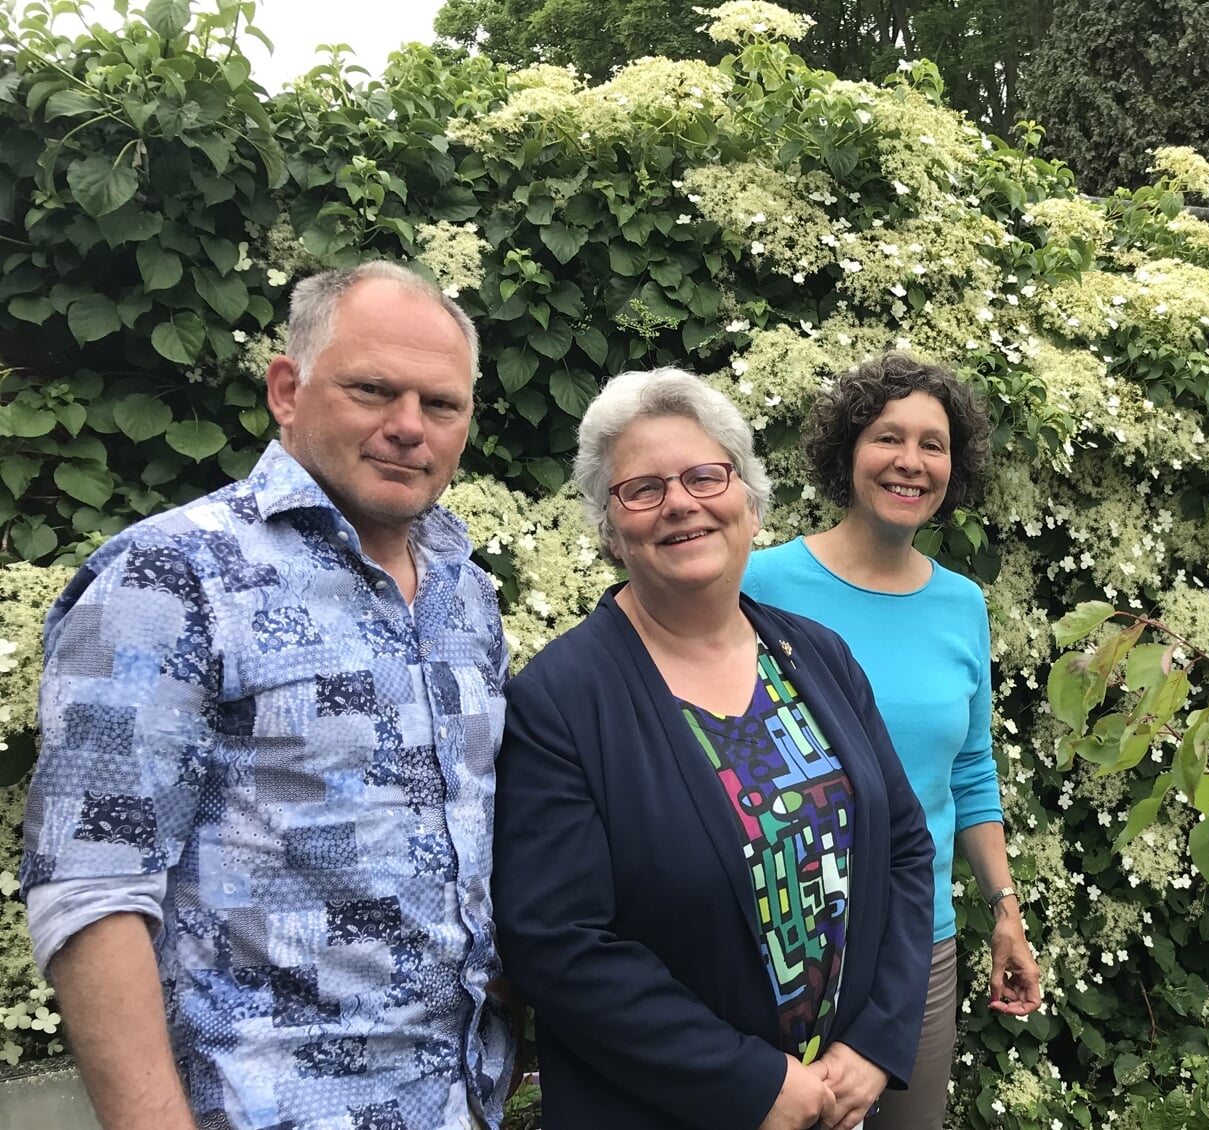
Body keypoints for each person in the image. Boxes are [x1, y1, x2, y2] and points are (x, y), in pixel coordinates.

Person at [20, 261, 516, 1130]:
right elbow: (91, 889)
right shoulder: (171, 576)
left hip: (461, 1104)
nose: (409, 428)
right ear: (287, 390)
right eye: (372, 390)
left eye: (441, 405)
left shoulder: (463, 593)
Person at [491, 367, 934, 1130]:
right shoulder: (558, 702)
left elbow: (903, 849)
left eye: (705, 475)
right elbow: (558, 943)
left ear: (750, 502)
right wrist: (753, 1084)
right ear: (609, 525)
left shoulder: (818, 657)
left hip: (838, 1101)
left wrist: (873, 1041)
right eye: (642, 489)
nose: (681, 504)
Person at [742, 351, 1041, 1130]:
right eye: (888, 437)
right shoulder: (757, 584)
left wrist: (1003, 909)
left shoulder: (961, 605)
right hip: (782, 944)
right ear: (848, 451)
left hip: (918, 950)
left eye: (933, 445)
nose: (911, 462)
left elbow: (968, 770)